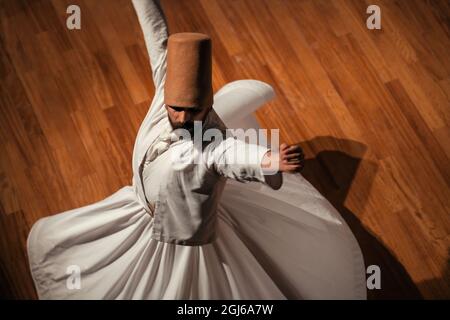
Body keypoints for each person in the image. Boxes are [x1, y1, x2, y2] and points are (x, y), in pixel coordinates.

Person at [26, 0, 366, 299]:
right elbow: (157, 34)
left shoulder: (211, 141)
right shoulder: (165, 89)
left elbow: (234, 155)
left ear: (207, 105)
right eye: (176, 108)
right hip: (145, 212)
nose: (183, 118)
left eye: (194, 111)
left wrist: (270, 160)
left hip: (183, 236)